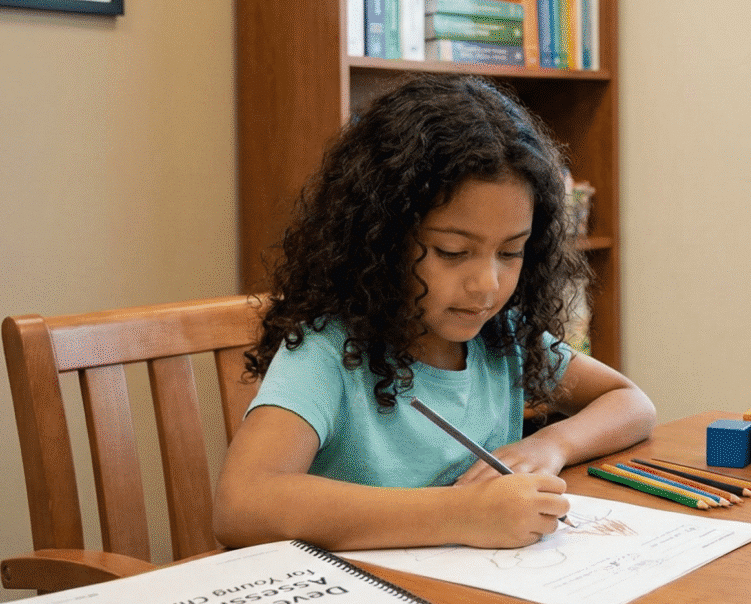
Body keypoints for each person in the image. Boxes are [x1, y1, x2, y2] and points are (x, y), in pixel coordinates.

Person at [214, 74, 656, 551]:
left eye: (511, 253)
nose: (487, 284)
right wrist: (463, 514)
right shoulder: (329, 352)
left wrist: (550, 445)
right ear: (380, 241)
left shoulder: (501, 338)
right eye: (451, 251)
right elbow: (242, 504)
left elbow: (632, 403)